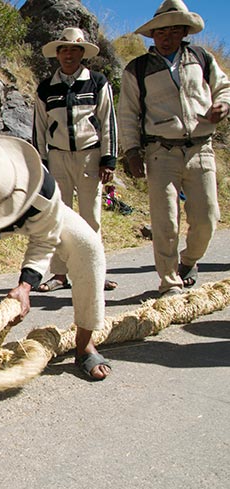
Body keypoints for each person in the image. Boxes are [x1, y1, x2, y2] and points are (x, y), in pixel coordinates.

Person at [0, 137, 112, 392]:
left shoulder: (42, 188)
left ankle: (85, 344)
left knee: (87, 247)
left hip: (29, 212)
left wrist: (25, 287)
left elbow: (45, 239)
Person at [118, 0, 230, 297]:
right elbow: (128, 113)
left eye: (172, 30)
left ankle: (189, 261)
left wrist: (223, 105)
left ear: (183, 31)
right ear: (152, 34)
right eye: (160, 31)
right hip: (160, 151)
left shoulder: (201, 58)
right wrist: (131, 151)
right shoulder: (137, 68)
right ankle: (169, 281)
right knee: (165, 220)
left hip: (201, 149)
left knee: (207, 218)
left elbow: (224, 87)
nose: (165, 36)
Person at [33, 27, 119, 293]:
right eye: (64, 50)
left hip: (89, 157)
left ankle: (94, 272)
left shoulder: (97, 81)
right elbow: (39, 128)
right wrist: (41, 164)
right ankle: (59, 274)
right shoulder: (46, 87)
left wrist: (109, 159)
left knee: (91, 217)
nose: (68, 55)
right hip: (57, 158)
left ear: (82, 53)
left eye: (74, 50)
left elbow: (108, 122)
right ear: (57, 54)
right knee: (57, 217)